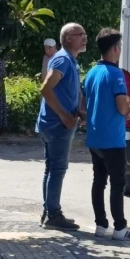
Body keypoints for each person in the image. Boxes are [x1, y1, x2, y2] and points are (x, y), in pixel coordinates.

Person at [83, 28, 130, 241]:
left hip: (94, 136)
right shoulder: (116, 74)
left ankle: (101, 224)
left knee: (98, 181)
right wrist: (129, 109)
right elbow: (121, 107)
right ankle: (120, 227)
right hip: (112, 137)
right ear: (116, 48)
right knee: (118, 183)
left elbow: (84, 104)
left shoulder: (92, 72)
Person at [36, 23, 88, 231]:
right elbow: (46, 88)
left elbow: (63, 91)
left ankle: (50, 211)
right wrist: (65, 116)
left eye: (85, 34)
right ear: (68, 38)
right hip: (57, 124)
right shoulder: (62, 59)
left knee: (52, 168)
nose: (85, 38)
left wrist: (77, 110)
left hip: (55, 122)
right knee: (57, 168)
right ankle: (54, 215)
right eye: (80, 34)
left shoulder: (69, 60)